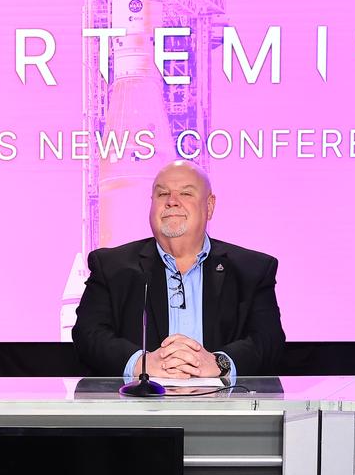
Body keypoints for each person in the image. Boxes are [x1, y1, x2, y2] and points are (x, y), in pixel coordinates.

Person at [72, 160, 284, 382]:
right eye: (162, 194)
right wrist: (141, 363)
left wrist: (218, 363)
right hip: (137, 410)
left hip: (224, 409)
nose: (172, 202)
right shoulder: (112, 266)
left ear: (209, 206)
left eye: (186, 193)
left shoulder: (252, 269)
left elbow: (268, 342)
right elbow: (88, 336)